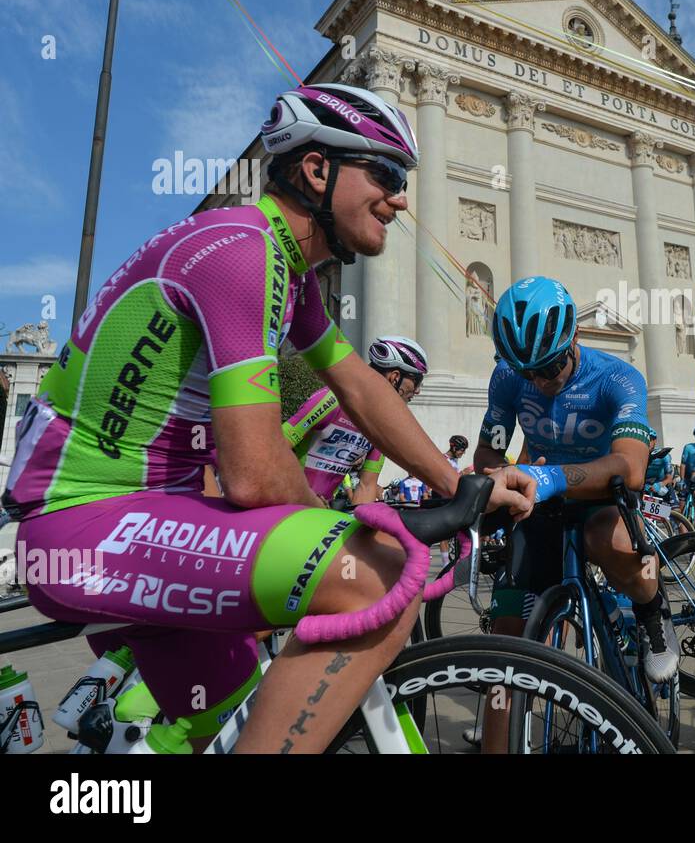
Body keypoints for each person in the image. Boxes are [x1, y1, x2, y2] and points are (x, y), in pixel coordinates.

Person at [3, 82, 535, 752]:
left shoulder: (288, 270)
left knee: (217, 729)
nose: (402, 197)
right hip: (83, 523)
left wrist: (459, 486)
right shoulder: (244, 249)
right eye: (388, 173)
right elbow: (255, 473)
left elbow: (363, 390)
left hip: (140, 518)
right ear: (317, 169)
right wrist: (370, 528)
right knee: (373, 579)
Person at [474, 275, 680, 752]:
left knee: (612, 544)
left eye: (548, 366)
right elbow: (490, 450)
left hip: (599, 494)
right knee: (507, 644)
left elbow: (629, 467)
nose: (539, 381)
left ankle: (652, 612)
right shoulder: (509, 376)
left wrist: (554, 476)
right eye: (528, 372)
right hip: (541, 499)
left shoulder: (617, 377)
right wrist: (491, 477)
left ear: (575, 339)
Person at [282, 335, 428, 506]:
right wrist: (304, 495)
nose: (417, 391)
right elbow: (275, 447)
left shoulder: (383, 424)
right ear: (394, 377)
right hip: (286, 502)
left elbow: (367, 485)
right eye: (417, 381)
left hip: (321, 510)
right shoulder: (333, 400)